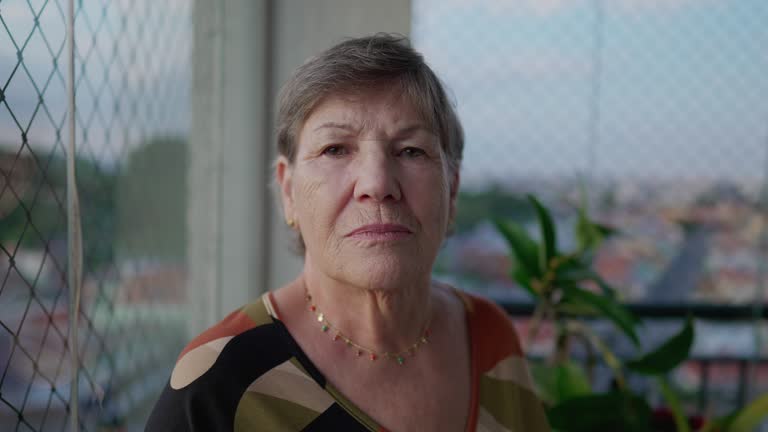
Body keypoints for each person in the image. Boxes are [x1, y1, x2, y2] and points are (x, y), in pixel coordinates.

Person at [146, 34, 549, 432]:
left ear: (453, 189)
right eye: (335, 149)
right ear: (288, 191)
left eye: (411, 150)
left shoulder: (490, 336)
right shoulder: (220, 381)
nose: (376, 183)